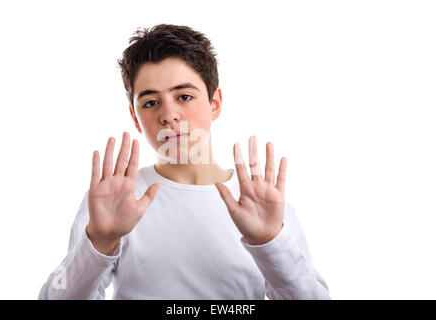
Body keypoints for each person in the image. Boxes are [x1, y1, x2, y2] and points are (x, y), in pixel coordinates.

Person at [38, 24, 330, 300]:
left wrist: (270, 242)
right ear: (135, 118)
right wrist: (100, 243)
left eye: (185, 96)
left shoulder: (264, 205)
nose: (169, 115)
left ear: (214, 104)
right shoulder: (114, 201)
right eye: (151, 102)